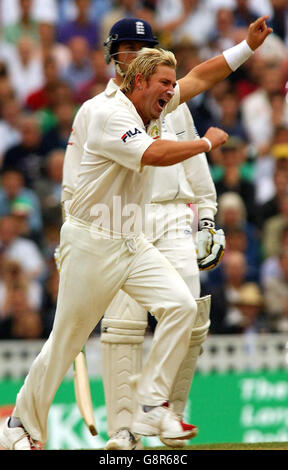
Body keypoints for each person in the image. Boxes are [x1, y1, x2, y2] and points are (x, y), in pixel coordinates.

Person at [0, 16, 271, 450]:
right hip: (93, 240)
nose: (172, 91)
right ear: (135, 74)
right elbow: (154, 154)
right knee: (67, 341)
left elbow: (200, 76)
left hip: (133, 238)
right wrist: (206, 143)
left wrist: (246, 48)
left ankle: (152, 407)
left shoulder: (153, 100)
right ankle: (18, 426)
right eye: (164, 83)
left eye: (171, 84)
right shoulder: (105, 112)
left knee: (182, 307)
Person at [61, 17, 224, 450]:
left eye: (141, 48)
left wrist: (207, 217)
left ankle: (169, 416)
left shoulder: (173, 104)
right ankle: (124, 431)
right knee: (122, 327)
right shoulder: (99, 111)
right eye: (126, 48)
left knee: (189, 313)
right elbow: (74, 181)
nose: (132, 56)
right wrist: (69, 234)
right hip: (119, 220)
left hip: (171, 218)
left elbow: (194, 167)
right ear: (113, 55)